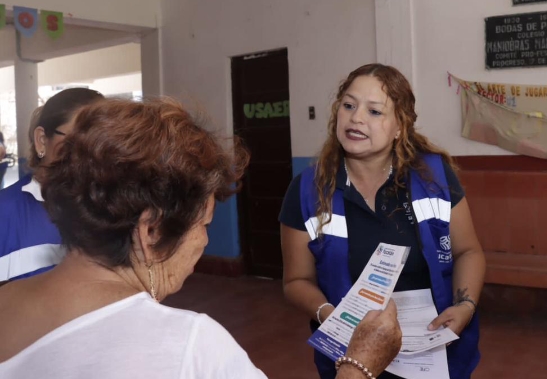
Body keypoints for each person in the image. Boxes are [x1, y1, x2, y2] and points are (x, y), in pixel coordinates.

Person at [0, 97, 403, 379]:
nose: (204, 243)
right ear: (151, 231)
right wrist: (359, 366)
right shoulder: (188, 347)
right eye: (204, 225)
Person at [280, 63, 486, 379]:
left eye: (374, 111)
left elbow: (468, 251)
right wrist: (331, 316)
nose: (356, 118)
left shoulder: (433, 177)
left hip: (434, 354)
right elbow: (296, 281)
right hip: (351, 355)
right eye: (349, 105)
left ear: (400, 126)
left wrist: (465, 306)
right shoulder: (307, 191)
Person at [0, 88, 103, 282]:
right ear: (41, 140)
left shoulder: (116, 213)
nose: (91, 154)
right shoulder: (5, 213)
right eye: (78, 141)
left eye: (103, 143)